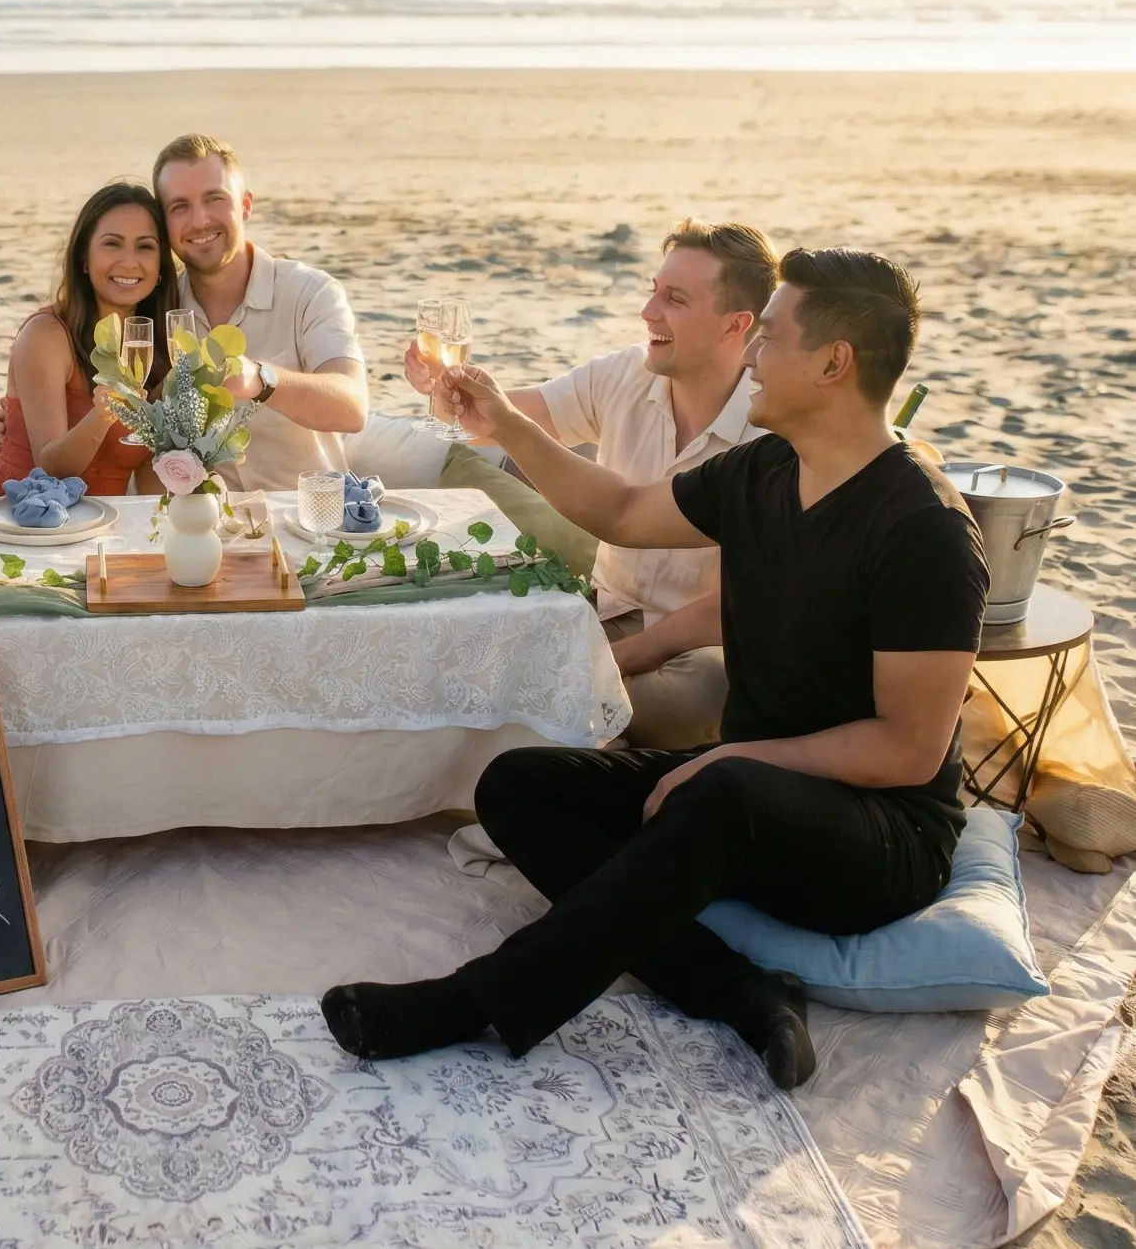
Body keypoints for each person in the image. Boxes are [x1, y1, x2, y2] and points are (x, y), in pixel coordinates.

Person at [321, 248, 987, 1090]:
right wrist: (504, 422)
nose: (749, 355)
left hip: (879, 837)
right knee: (517, 786)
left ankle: (477, 1001)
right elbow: (623, 511)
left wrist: (731, 757)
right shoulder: (765, 470)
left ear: (832, 363)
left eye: (769, 338)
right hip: (747, 796)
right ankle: (739, 988)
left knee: (720, 791)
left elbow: (907, 751)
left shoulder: (922, 528)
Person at [407, 220, 778, 748]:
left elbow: (734, 606)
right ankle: (588, 727)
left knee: (705, 690)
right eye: (653, 291)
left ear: (735, 324)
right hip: (604, 613)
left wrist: (609, 661)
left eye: (674, 299)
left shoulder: (772, 428)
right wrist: (446, 390)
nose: (649, 311)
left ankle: (565, 723)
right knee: (470, 642)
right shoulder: (628, 372)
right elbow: (504, 418)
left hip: (701, 644)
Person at [154, 135, 368, 490]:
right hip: (204, 530)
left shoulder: (309, 292)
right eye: (179, 206)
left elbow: (352, 406)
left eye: (215, 199)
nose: (200, 220)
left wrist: (262, 380)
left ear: (246, 205)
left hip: (310, 524)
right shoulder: (159, 309)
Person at [0, 182, 173, 497]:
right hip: (20, 516)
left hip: (100, 525)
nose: (129, 261)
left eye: (145, 246)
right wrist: (102, 415)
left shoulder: (153, 344)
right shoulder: (46, 334)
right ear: (84, 258)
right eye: (112, 244)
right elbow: (51, 467)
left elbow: (148, 472)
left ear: (160, 265)